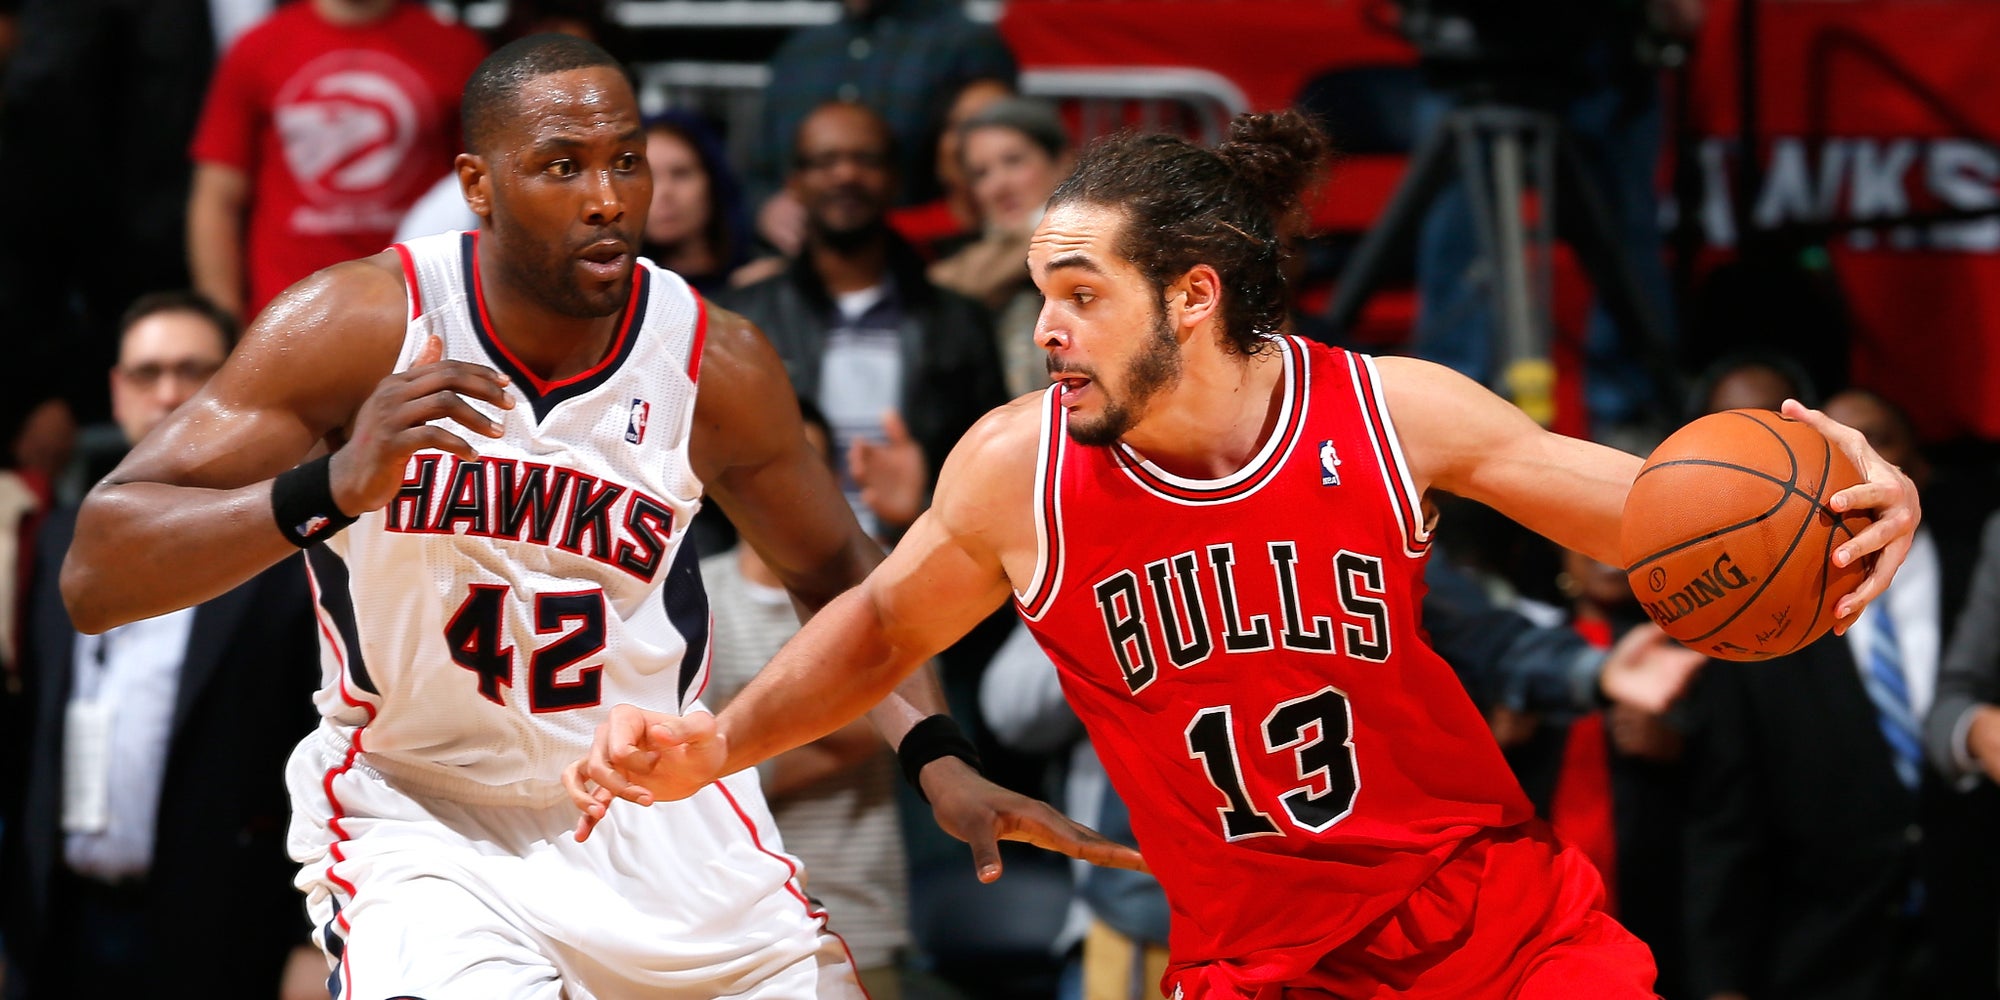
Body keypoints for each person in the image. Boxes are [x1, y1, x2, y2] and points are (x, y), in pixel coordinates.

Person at [569, 110, 1921, 998]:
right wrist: (714, 744)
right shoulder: (1012, 468)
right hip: (1256, 966)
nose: (1048, 329)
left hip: (1492, 931)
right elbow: (875, 631)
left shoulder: (1387, 411)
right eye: (1043, 297)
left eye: (1082, 296)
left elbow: (1656, 515)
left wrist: (1863, 511)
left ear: (1194, 296)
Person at [61, 34, 1136, 1000]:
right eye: (561, 166)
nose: (609, 197)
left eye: (624, 160)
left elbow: (843, 576)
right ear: (477, 184)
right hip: (428, 816)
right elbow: (98, 571)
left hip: (657, 806)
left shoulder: (713, 357)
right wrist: (327, 489)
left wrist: (935, 757)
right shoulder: (355, 324)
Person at [1, 291, 323, 999]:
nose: (169, 393)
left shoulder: (286, 547)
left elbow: (328, 740)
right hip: (62, 923)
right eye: (146, 374)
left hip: (223, 929)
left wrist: (311, 937)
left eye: (194, 371)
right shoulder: (53, 539)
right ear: (117, 392)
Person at [1680, 387, 2000, 1000]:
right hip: (1821, 953)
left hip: (1976, 935)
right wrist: (1721, 980)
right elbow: (1726, 817)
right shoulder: (1758, 604)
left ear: (1918, 466)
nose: (1860, 465)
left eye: (1880, 439)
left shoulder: (1981, 567)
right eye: (1835, 450)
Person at [700, 396, 912, 1000]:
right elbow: (681, 775)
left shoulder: (879, 586)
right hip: (722, 927)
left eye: (809, 468)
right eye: (762, 469)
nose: (787, 489)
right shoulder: (691, 593)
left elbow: (888, 726)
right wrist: (831, 709)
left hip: (858, 915)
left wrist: (735, 741)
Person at [718, 100, 1006, 542]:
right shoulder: (739, 322)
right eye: (825, 161)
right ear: (794, 183)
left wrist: (921, 509)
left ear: (895, 179)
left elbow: (995, 476)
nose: (846, 175)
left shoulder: (957, 321)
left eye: (865, 160)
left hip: (917, 567)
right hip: (776, 577)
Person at [187, 0, 488, 322]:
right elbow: (217, 199)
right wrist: (222, 321)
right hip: (285, 313)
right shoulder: (259, 46)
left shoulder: (454, 47)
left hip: (419, 307)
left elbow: (481, 186)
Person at [929, 96, 1076, 398]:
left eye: (1013, 161)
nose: (998, 186)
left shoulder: (1097, 236)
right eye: (981, 174)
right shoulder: (967, 261)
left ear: (1062, 161)